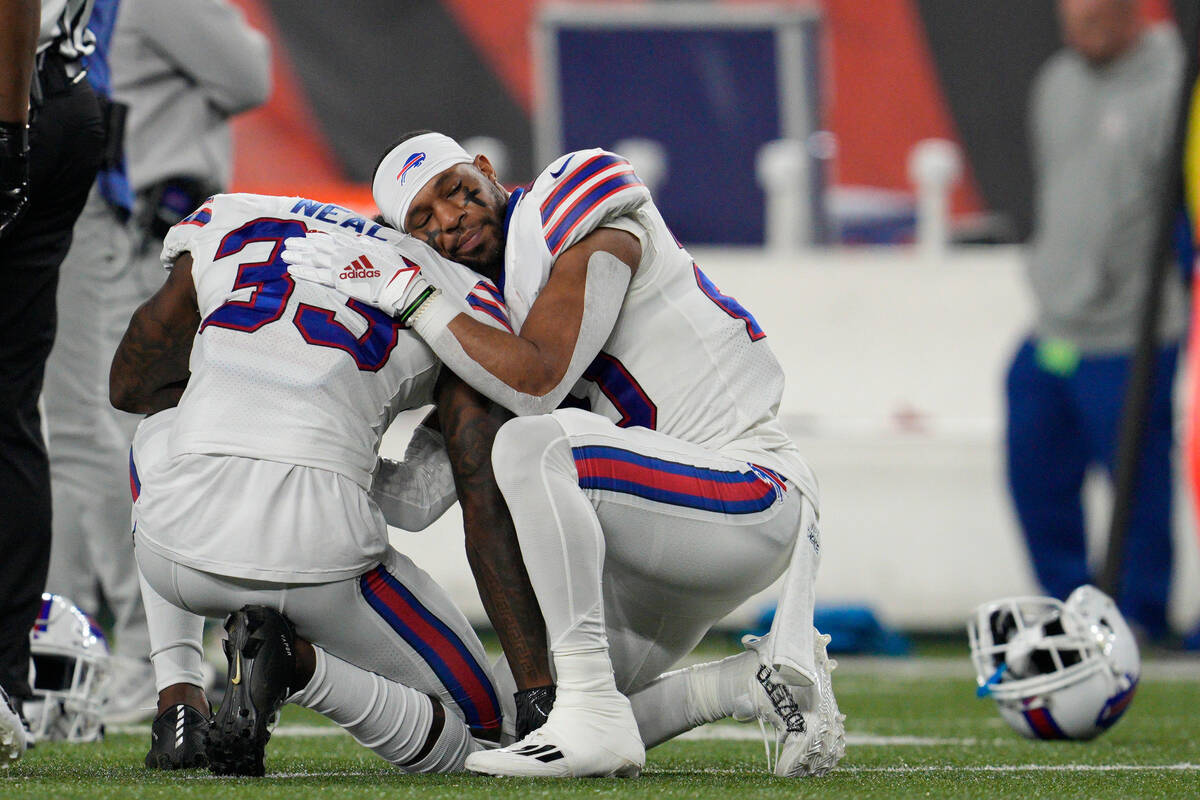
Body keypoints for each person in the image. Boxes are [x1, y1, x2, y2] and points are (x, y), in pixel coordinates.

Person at [282, 132, 845, 778]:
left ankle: (589, 710)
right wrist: (296, 440)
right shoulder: (479, 316)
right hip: (649, 540)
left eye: (455, 189)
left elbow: (540, 378)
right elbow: (412, 501)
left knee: (529, 442)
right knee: (496, 729)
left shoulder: (565, 200)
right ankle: (751, 684)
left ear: (487, 172)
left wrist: (413, 297)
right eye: (424, 219)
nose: (451, 217)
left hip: (747, 491)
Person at [111, 192, 518, 774]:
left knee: (158, 433)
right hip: (319, 561)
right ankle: (298, 668)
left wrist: (237, 413)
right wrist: (326, 456)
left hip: (174, 553)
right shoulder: (465, 295)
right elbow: (422, 502)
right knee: (491, 737)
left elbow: (127, 386)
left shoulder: (240, 218)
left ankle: (177, 698)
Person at [41, 0, 270, 723]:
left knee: (85, 434)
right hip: (132, 224)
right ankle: (94, 648)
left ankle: (142, 658)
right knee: (83, 435)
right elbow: (246, 72)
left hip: (132, 224)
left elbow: (248, 78)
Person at [1006, 0, 1185, 642]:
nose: (1079, 30)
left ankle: (1140, 614)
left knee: (1137, 482)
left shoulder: (1174, 85)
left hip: (1134, 331)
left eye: (1093, 18)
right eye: (1071, 18)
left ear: (1128, 13)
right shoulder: (1057, 81)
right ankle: (1071, 608)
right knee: (1033, 463)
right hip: (1056, 327)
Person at [0, 0, 106, 740]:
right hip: (56, 92)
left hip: (23, 101)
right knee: (9, 408)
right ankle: (5, 686)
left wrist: (7, 131)